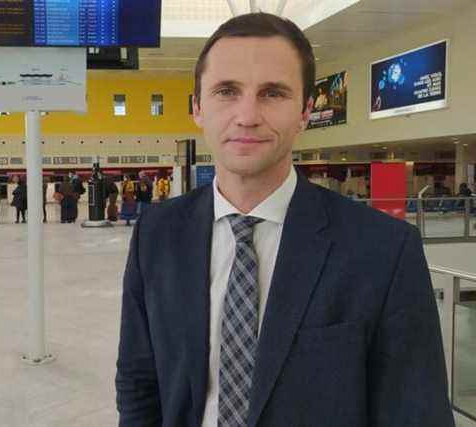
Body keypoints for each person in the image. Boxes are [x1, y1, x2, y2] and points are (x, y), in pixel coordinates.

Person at [116, 12, 453, 427]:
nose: (247, 115)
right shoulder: (157, 234)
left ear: (305, 112)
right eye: (226, 91)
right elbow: (139, 382)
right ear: (198, 109)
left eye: (272, 93)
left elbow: (415, 412)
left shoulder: (383, 250)